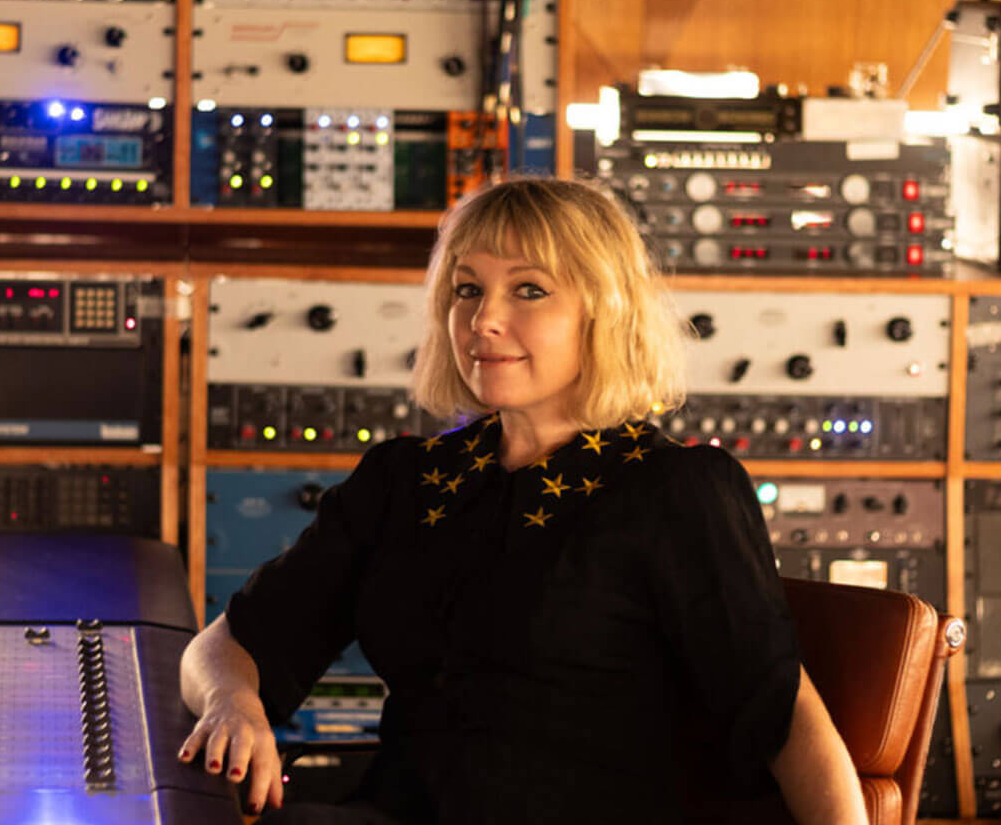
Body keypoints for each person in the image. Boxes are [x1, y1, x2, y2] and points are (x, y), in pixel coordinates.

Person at [179, 177, 867, 824]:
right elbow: (227, 644)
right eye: (467, 289)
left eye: (529, 290)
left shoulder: (679, 490)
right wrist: (232, 702)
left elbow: (784, 719)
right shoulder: (404, 479)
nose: (483, 320)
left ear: (604, 313)